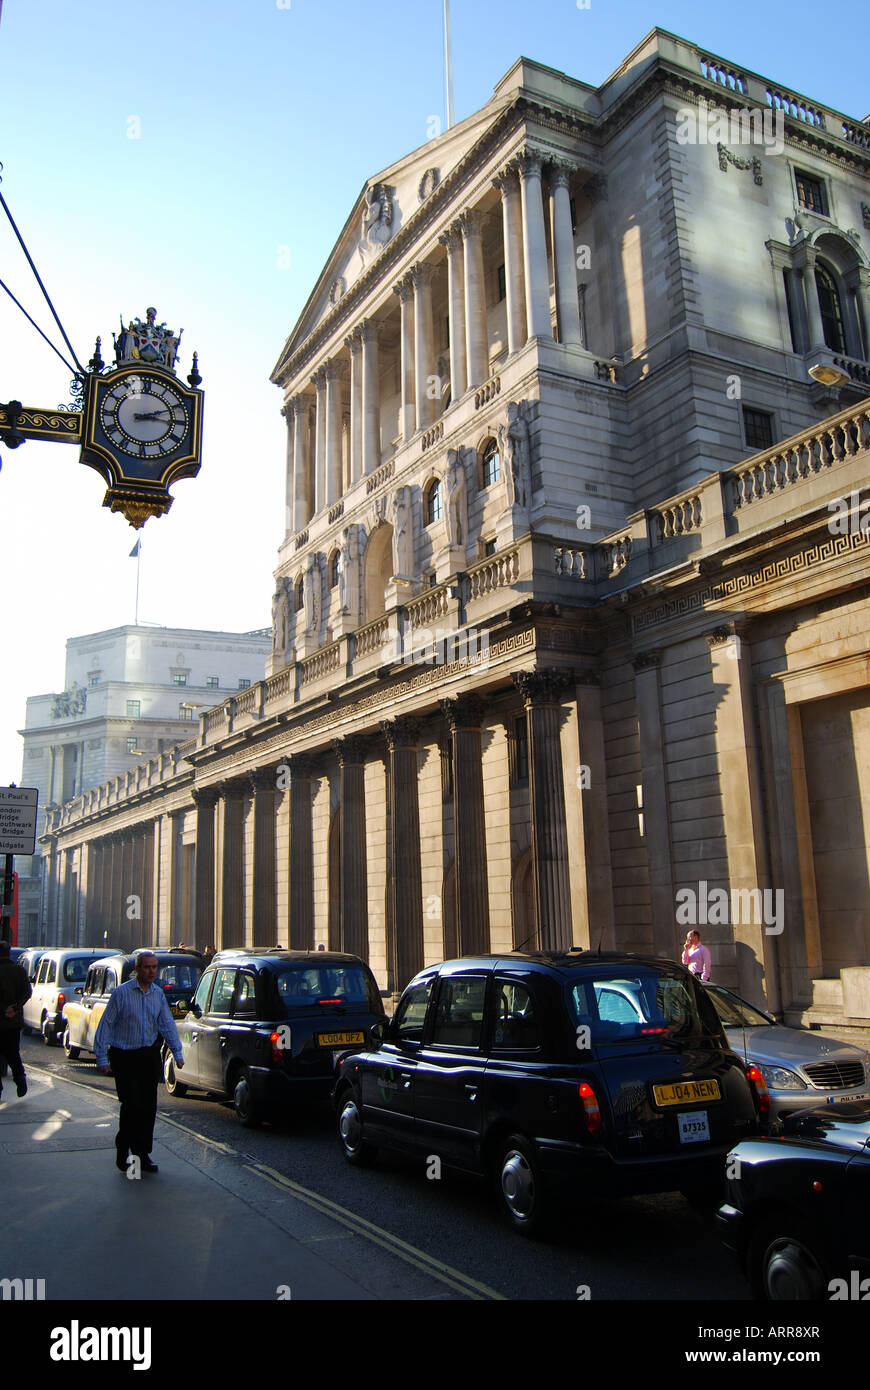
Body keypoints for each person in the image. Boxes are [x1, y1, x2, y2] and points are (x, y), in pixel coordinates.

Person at [94, 951, 185, 1175]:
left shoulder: (157, 994)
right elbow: (106, 1024)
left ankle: (142, 1154)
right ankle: (123, 1150)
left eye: (154, 967)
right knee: (131, 1106)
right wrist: (101, 1057)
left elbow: (166, 1024)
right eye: (147, 967)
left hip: (147, 1056)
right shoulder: (122, 993)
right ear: (137, 970)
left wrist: (177, 1051)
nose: (152, 971)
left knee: (148, 1108)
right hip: (124, 1056)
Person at [0, 940, 31, 1099]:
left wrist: (4, 1008)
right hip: (14, 1022)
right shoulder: (19, 971)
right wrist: (16, 1008)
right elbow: (27, 992)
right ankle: (20, 1078)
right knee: (13, 1053)